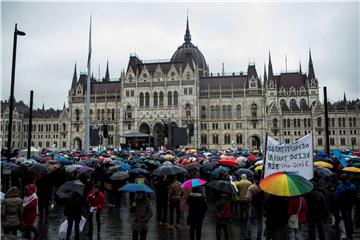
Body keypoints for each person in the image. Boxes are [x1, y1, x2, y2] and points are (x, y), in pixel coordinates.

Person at [335, 173, 357, 240]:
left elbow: (336, 196)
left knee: (345, 219)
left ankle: (348, 232)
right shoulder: (353, 186)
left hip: (342, 205)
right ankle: (351, 230)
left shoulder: (340, 187)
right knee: (350, 217)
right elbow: (355, 193)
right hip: (350, 204)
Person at [245, 175, 264, 240]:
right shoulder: (263, 187)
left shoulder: (251, 187)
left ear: (254, 179)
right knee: (260, 222)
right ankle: (258, 237)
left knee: (250, 222)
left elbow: (248, 198)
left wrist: (248, 203)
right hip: (261, 207)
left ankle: (248, 237)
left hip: (253, 206)